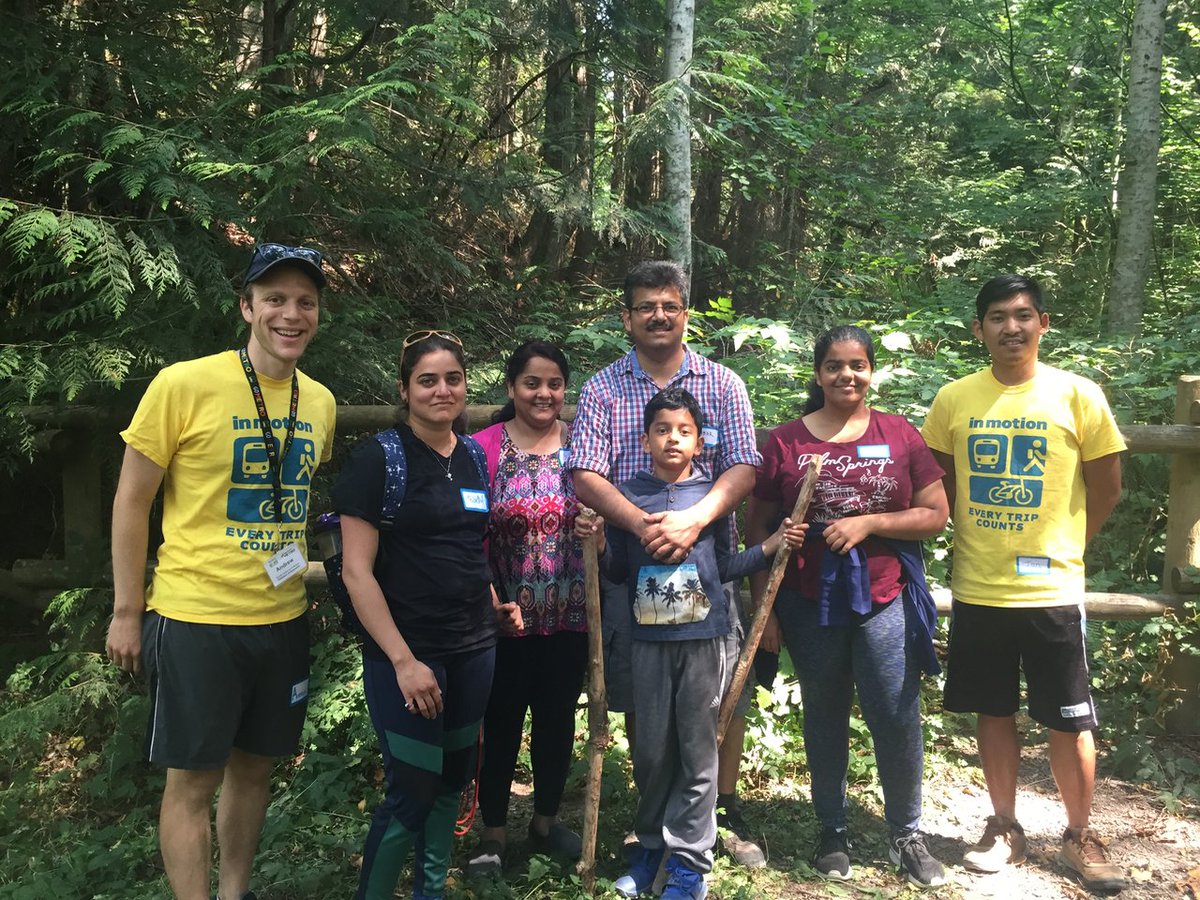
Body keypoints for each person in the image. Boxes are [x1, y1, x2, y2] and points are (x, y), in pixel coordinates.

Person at [105, 243, 336, 900]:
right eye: (275, 300)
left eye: (305, 303)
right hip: (196, 618)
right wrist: (127, 611)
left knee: (256, 769)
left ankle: (234, 891)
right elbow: (132, 499)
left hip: (282, 618)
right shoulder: (185, 384)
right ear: (247, 307)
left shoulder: (318, 401)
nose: (291, 315)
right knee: (192, 782)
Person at [921, 274, 1126, 892]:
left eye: (1023, 315)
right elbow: (941, 488)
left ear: (1042, 323)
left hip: (1052, 592)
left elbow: (1109, 487)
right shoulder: (955, 399)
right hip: (979, 587)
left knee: (1069, 719)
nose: (1011, 327)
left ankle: (1080, 834)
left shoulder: (1078, 395)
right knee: (994, 709)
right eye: (997, 317)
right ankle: (1005, 826)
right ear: (979, 328)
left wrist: (1066, 549)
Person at [570, 260, 766, 866]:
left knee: (705, 713)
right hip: (633, 583)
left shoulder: (723, 384)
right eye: (646, 306)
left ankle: (700, 833)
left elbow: (745, 465)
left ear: (686, 314)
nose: (659, 315)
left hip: (706, 569)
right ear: (626, 317)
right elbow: (583, 471)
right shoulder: (603, 388)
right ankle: (652, 834)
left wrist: (695, 518)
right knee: (648, 720)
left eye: (670, 305)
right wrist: (643, 525)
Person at [746, 324, 949, 888]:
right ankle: (831, 829)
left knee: (895, 710)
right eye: (834, 365)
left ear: (871, 371)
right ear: (818, 373)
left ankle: (907, 832)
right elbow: (758, 526)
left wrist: (870, 522)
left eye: (857, 365)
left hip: (885, 594)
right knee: (825, 709)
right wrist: (765, 610)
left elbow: (935, 513)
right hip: (809, 599)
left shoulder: (899, 434)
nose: (847, 376)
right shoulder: (786, 442)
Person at [333, 330, 522, 900]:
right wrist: (403, 661)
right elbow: (356, 572)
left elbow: (469, 548)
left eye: (453, 379)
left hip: (474, 650)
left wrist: (495, 605)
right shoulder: (378, 460)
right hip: (410, 655)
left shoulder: (469, 456)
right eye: (427, 381)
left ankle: (430, 892)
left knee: (450, 784)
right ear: (405, 389)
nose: (442, 391)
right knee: (412, 790)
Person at [597, 388, 801, 900]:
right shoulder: (628, 498)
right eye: (662, 430)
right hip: (647, 643)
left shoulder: (712, 499)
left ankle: (689, 864)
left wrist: (770, 547)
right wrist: (599, 542)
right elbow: (618, 572)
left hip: (704, 641)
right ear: (645, 439)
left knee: (696, 750)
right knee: (649, 752)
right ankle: (648, 850)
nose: (673, 439)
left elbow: (725, 568)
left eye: (683, 430)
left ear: (699, 440)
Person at [465, 341, 589, 876]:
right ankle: (492, 831)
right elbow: (464, 536)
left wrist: (600, 537)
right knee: (500, 720)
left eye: (554, 383)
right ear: (512, 388)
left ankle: (544, 819)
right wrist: (490, 600)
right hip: (502, 618)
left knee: (558, 718)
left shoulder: (585, 446)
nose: (544, 393)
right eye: (532, 383)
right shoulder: (481, 449)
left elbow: (601, 519)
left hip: (570, 613)